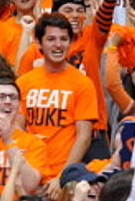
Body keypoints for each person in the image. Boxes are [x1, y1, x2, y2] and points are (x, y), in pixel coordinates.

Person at [17, 14, 99, 180]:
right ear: (39, 42)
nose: (58, 45)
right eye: (51, 39)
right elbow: (17, 132)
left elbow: (84, 137)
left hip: (62, 176)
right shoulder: (24, 82)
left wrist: (63, 177)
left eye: (64, 39)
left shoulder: (83, 83)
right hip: (29, 173)